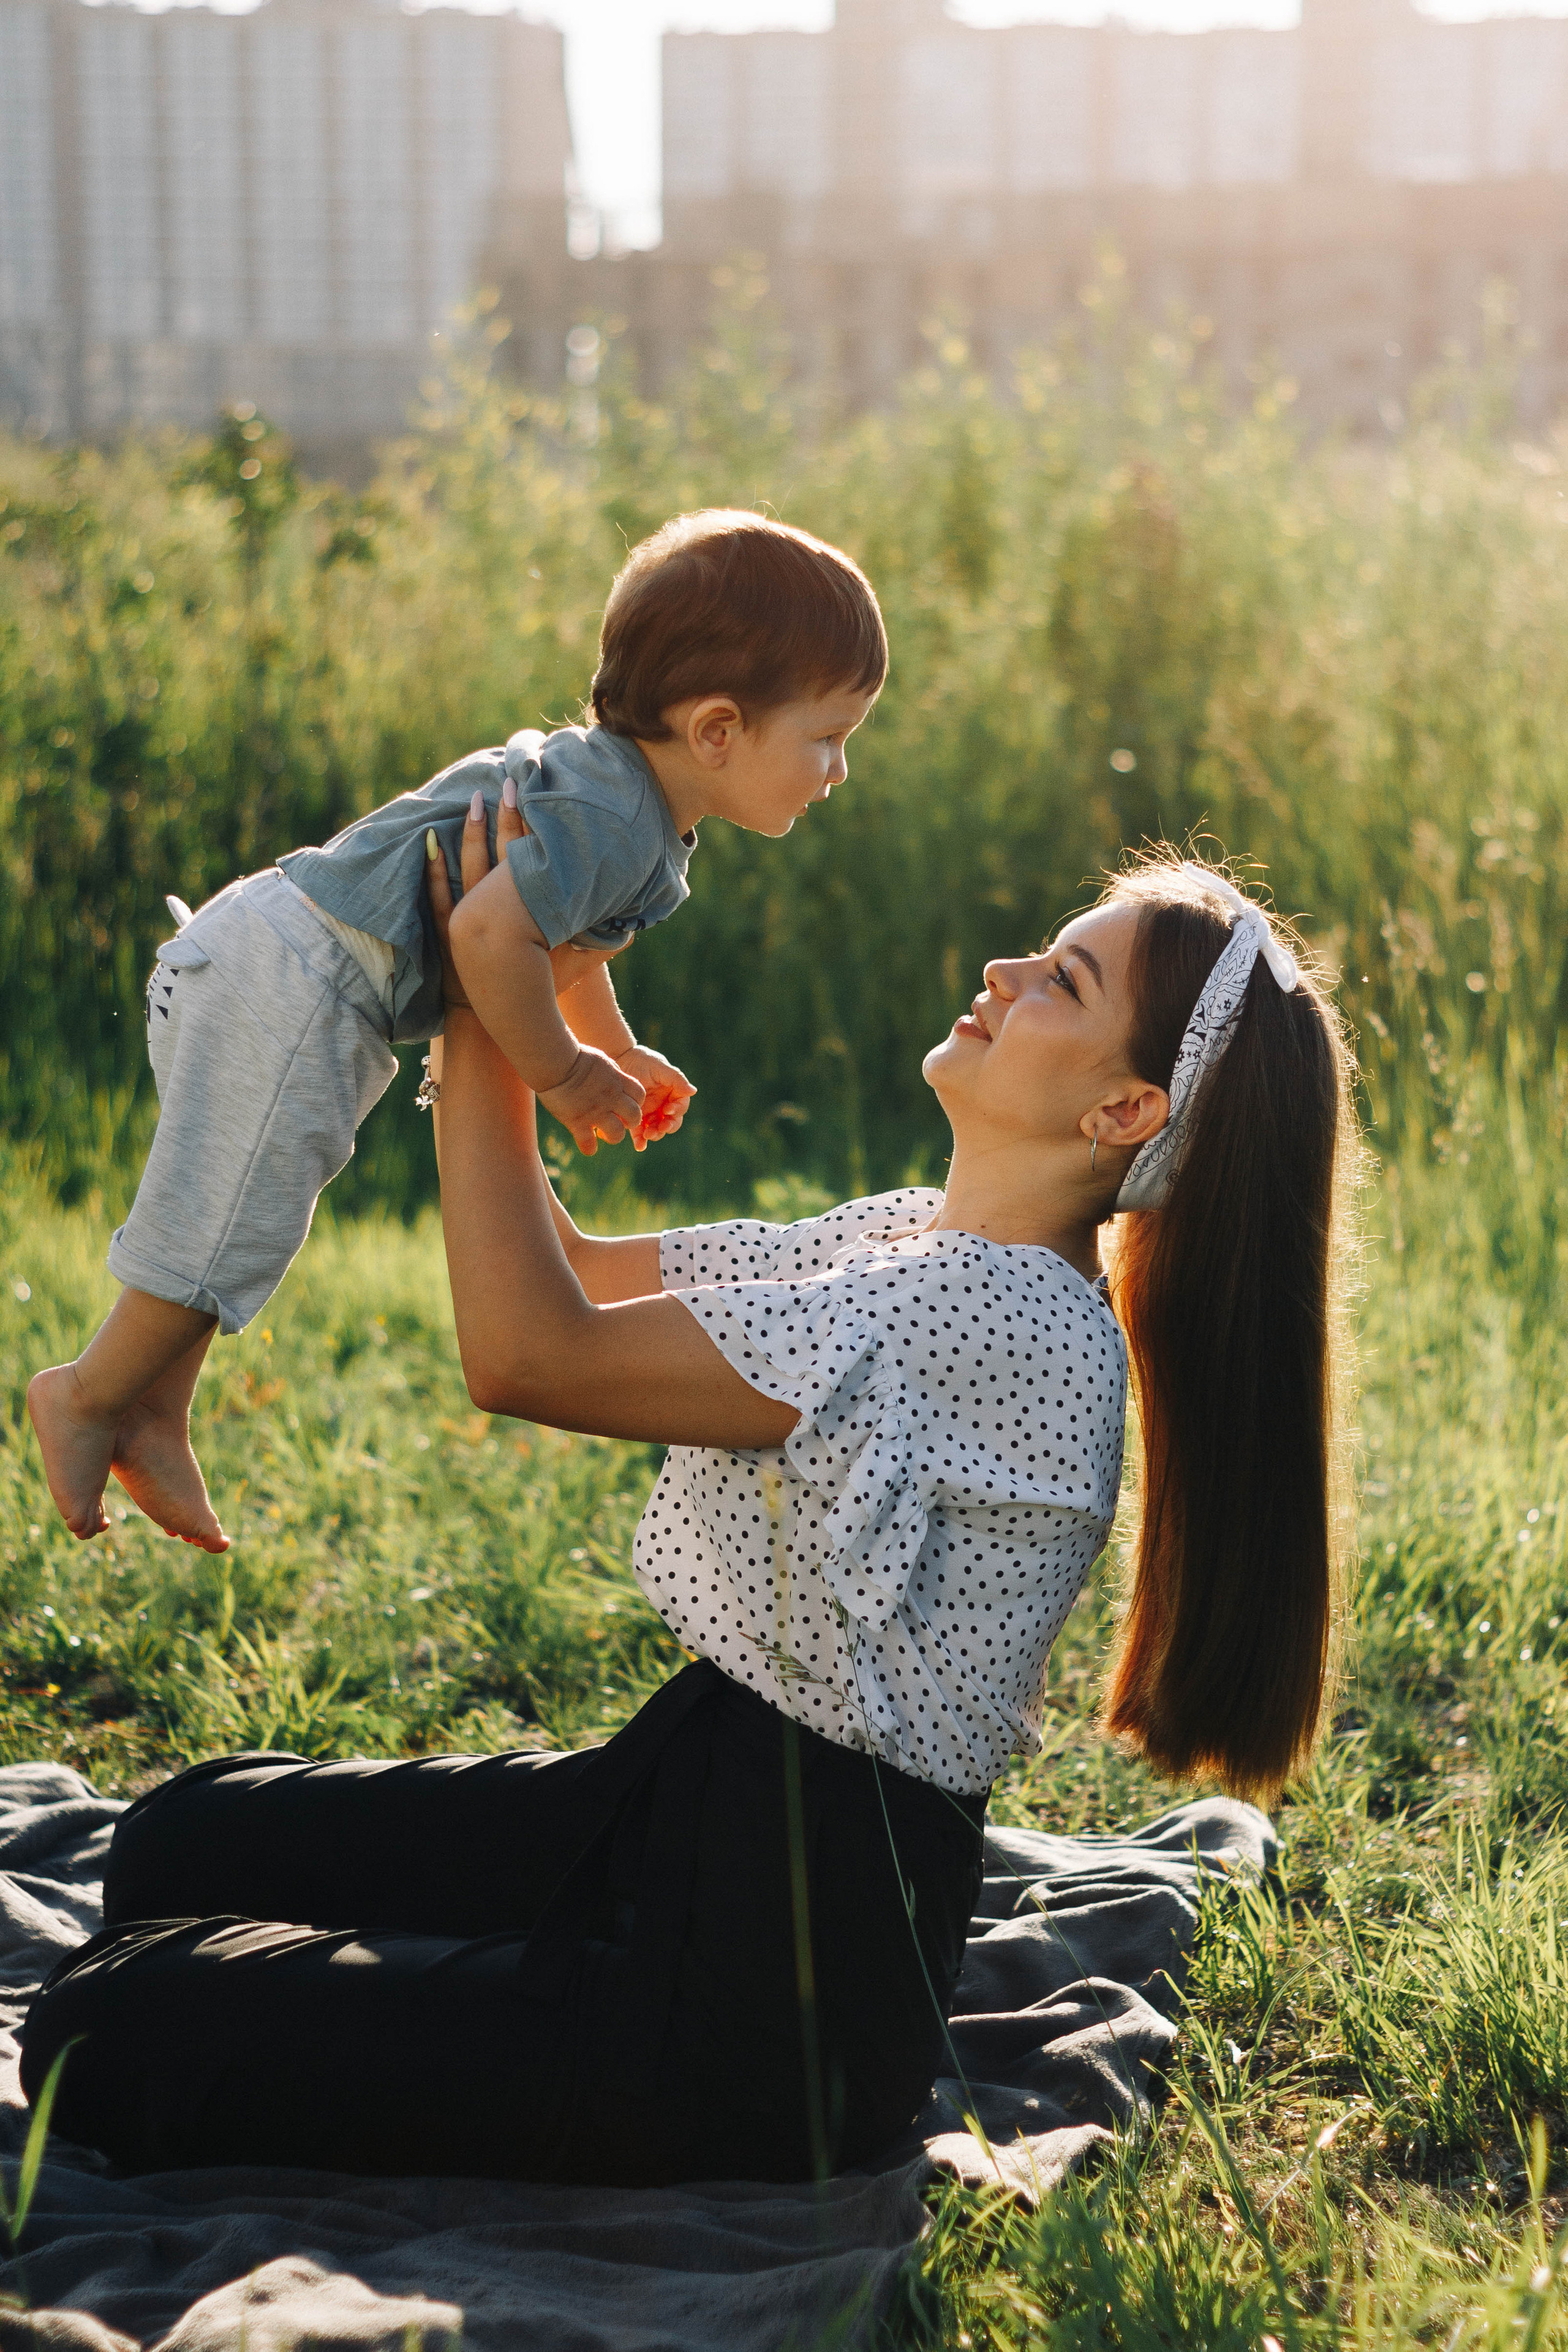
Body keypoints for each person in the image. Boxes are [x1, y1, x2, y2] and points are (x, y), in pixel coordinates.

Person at [20, 824, 1356, 2188]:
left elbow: (526, 1353)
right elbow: (574, 1273)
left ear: (1124, 1110)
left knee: (101, 2030)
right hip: (679, 1802)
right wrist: (536, 979)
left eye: (1062, 982)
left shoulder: (991, 1315)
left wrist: (487, 994)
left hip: (767, 2013)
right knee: (179, 1839)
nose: (1004, 973)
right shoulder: (916, 1239)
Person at [27, 511, 886, 1558]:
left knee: (245, 1216)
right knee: (228, 1217)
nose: (839, 769)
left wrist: (612, 1049)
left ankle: (153, 1413)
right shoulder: (616, 819)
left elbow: (555, 942)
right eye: (829, 738)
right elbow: (487, 934)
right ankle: (84, 1395)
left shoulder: (631, 809)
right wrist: (563, 1075)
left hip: (296, 970)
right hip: (294, 974)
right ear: (717, 731)